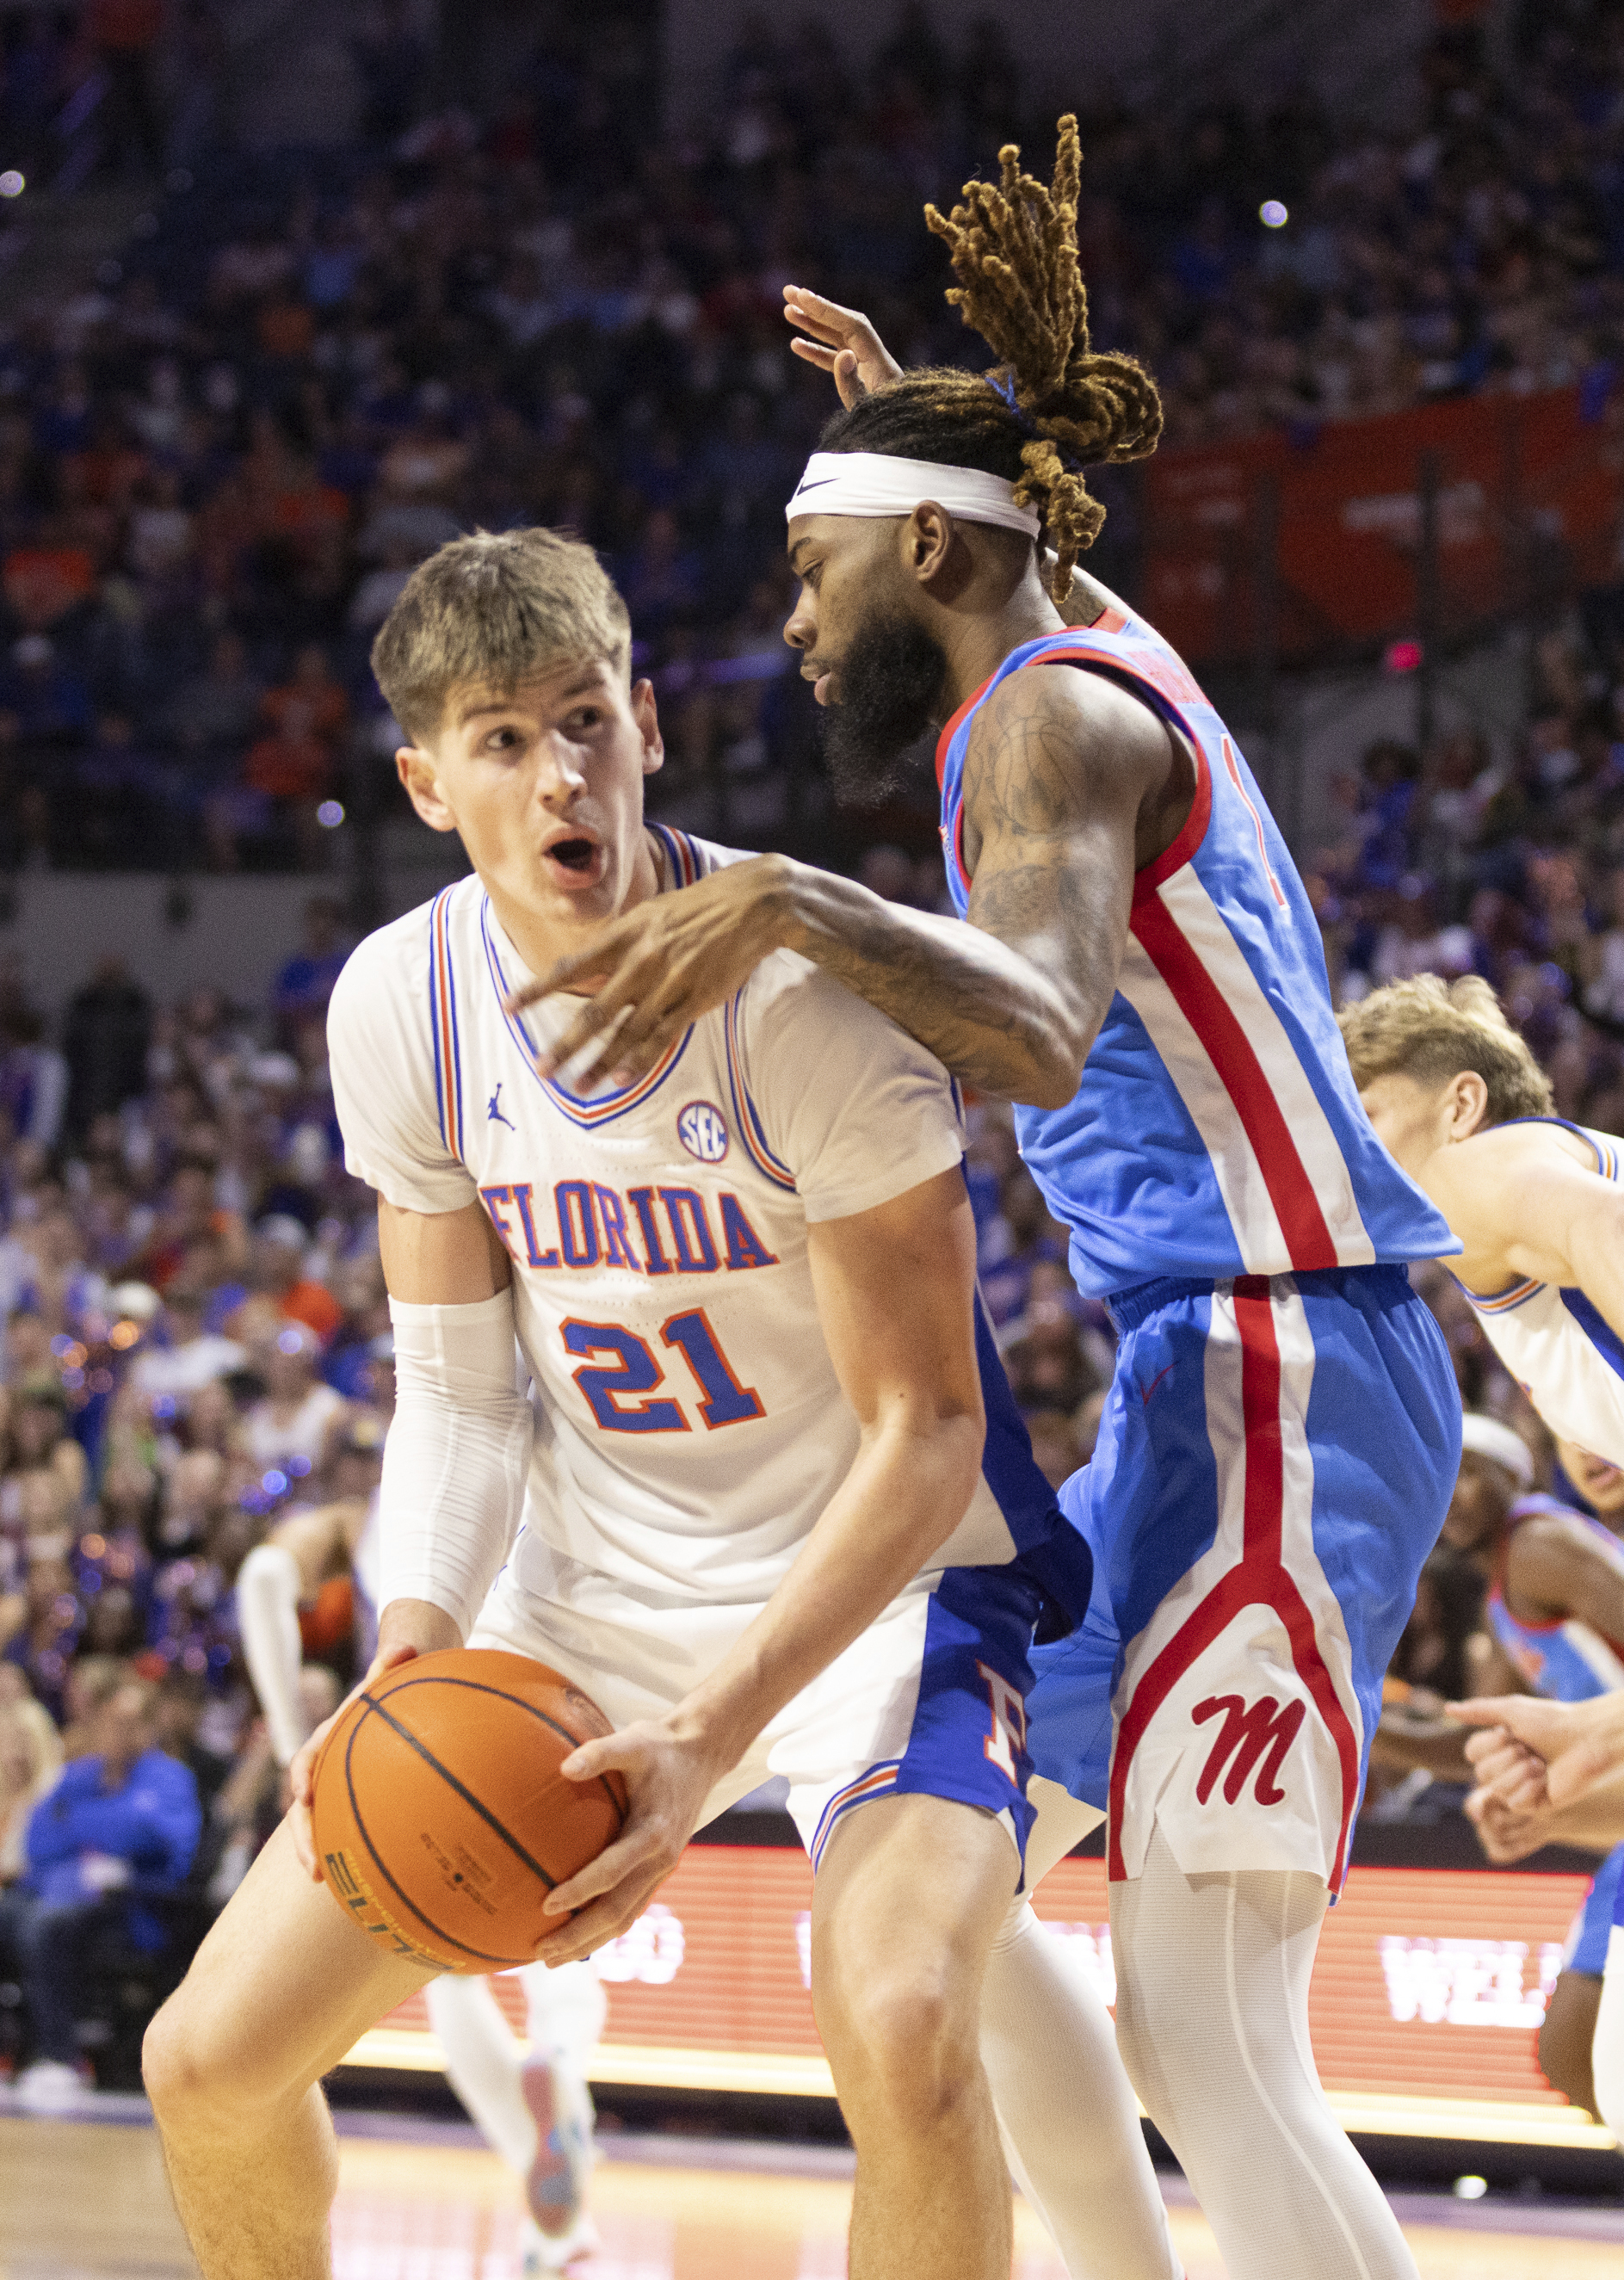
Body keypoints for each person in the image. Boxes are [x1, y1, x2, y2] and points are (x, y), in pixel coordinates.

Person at [506, 121, 1462, 2280]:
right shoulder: (1065, 649)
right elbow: (1016, 544)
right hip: (1202, 1371)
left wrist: (771, 898)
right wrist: (896, 439)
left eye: (808, 570)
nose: (786, 615)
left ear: (927, 563)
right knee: (966, 1858)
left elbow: (1028, 1020)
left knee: (1207, 2026)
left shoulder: (1047, 727)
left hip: (1283, 1355)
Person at [141, 527, 1173, 2280]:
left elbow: (925, 1431)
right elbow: (462, 1403)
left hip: (885, 1588)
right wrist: (410, 1639)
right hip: (592, 1581)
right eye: (500, 738)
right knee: (208, 2061)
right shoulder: (407, 1002)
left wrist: (710, 1731)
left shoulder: (803, 997)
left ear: (646, 725)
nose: (561, 774)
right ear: (423, 778)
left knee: (911, 2023)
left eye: (584, 720)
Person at [236, 1420, 606, 2272]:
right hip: (543, 1698)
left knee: (449, 1960)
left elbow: (260, 1578)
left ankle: (545, 2194)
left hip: (418, 1742)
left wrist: (300, 1737)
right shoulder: (511, 1468)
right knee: (565, 1928)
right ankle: (562, 2075)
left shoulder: (349, 1523)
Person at [1374, 1414, 1624, 2114]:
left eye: (1469, 1474)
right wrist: (1357, 1723)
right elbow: (1472, 1743)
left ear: (1513, 1476)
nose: (1451, 1495)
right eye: (1439, 1479)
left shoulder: (1540, 1542)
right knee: (1574, 2056)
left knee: (1577, 2049)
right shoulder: (1500, 1592)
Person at [1339, 973, 1624, 1463]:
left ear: (1462, 1107)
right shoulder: (1514, 1203)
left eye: (1363, 1120)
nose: (1341, 1158)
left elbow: (1608, 1223)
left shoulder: (1466, 1170)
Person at [1, 1673, 201, 2104]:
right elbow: (40, 1843)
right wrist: (110, 1832)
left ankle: (60, 2057)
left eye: (130, 1722)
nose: (118, 1731)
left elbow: (166, 1842)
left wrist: (82, 1827)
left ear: (149, 1728)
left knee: (46, 1926)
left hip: (136, 1909)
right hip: (55, 1890)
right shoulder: (76, 1776)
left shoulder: (170, 1778)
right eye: (110, 1721)